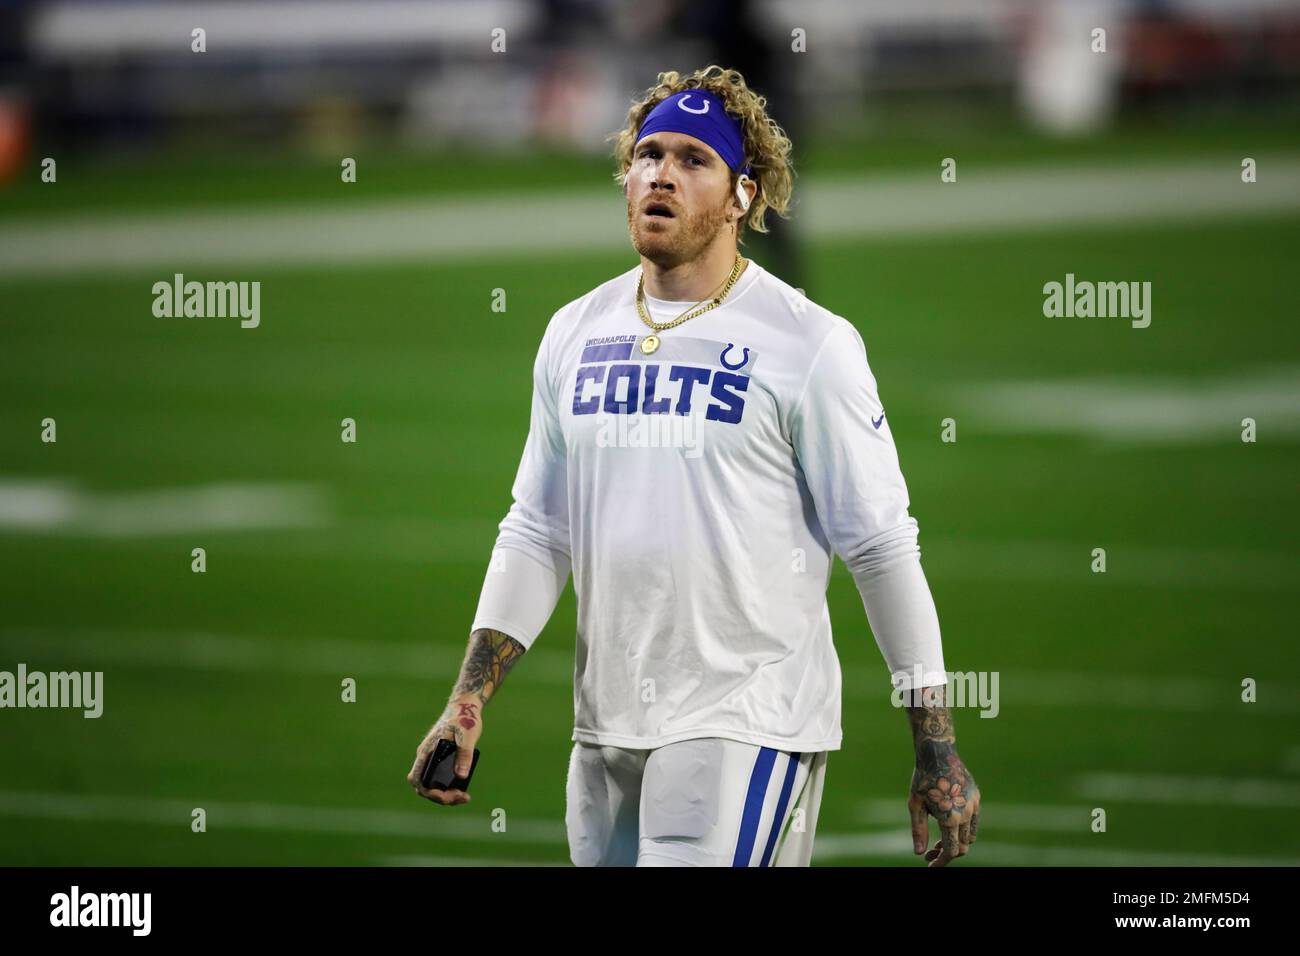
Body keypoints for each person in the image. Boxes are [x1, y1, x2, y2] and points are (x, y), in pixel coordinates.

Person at [407, 65, 980, 867]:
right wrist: (467, 702)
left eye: (692, 159)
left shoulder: (809, 344)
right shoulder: (574, 331)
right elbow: (538, 530)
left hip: (746, 723)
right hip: (604, 723)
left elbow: (881, 546)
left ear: (743, 195)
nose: (660, 175)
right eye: (648, 155)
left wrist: (936, 747)